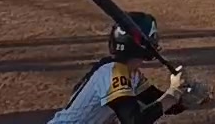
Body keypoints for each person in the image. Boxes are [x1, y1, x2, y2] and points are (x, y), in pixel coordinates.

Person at [46, 11, 190, 123]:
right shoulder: (114, 71)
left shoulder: (129, 73)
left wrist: (184, 98)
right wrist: (174, 92)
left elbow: (157, 102)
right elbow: (134, 121)